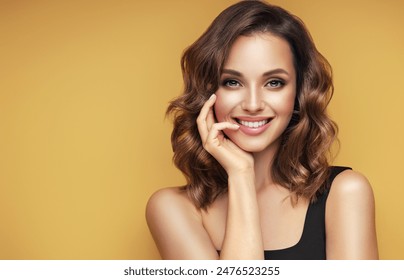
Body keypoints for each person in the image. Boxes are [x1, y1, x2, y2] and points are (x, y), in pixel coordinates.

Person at [146, 0, 378, 260]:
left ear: (300, 91)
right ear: (208, 92)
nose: (253, 104)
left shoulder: (346, 193)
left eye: (274, 82)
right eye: (232, 82)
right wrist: (241, 175)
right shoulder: (173, 209)